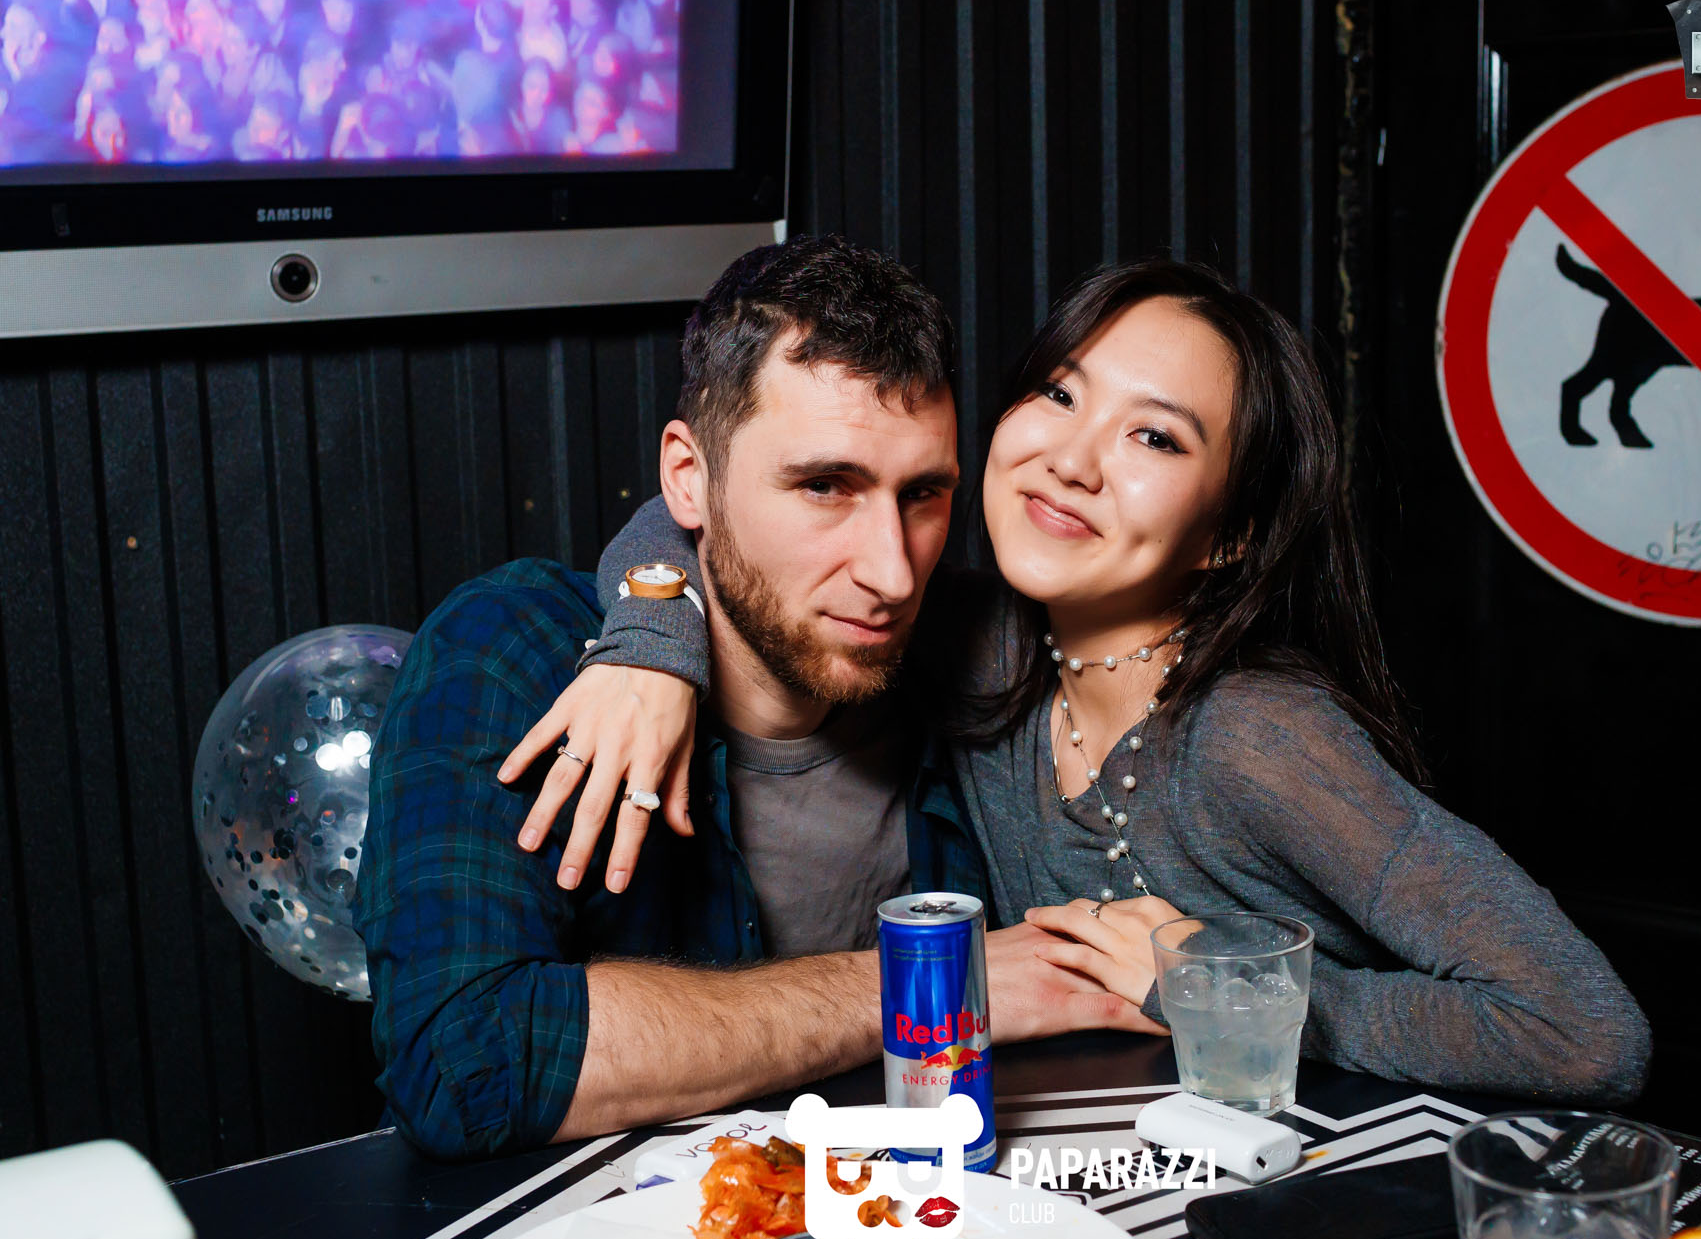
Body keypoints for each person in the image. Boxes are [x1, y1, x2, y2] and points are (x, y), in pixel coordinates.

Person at [529, 257, 1655, 1103]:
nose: (1071, 459)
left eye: (1154, 439)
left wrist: (1224, 986)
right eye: (1061, 396)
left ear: (1229, 532)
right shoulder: (968, 639)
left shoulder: (1257, 738)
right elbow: (721, 505)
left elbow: (1586, 1032)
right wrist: (652, 640)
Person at [355, 237, 1161, 1161]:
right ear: (688, 478)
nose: (893, 573)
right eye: (824, 486)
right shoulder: (515, 652)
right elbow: (465, 1064)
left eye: (924, 494)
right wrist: (928, 985)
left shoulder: (970, 655)